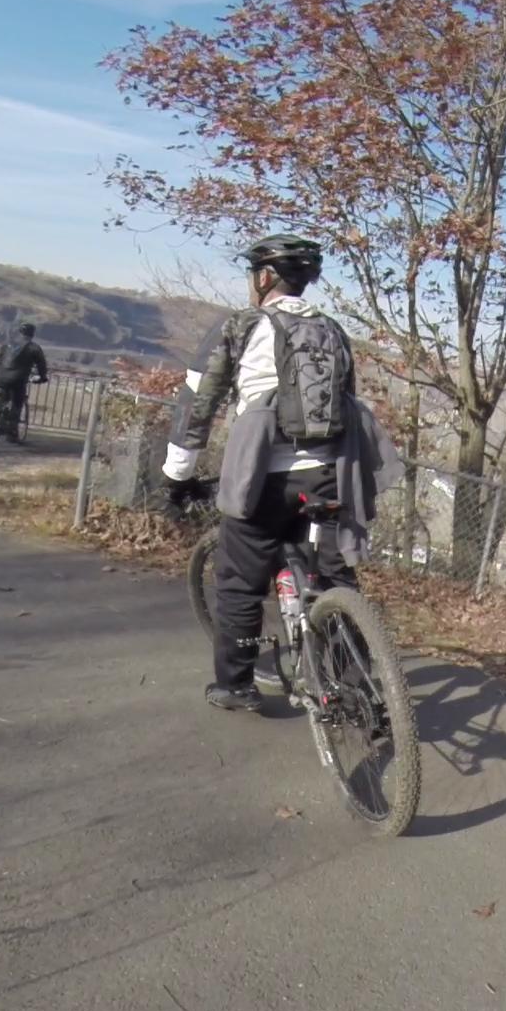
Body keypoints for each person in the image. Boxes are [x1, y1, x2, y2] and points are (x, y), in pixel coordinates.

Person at [162, 233, 403, 711]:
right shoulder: (333, 331)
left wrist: (178, 475)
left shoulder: (242, 325)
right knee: (336, 582)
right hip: (331, 476)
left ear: (264, 277)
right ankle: (358, 688)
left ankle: (236, 685)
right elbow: (346, 401)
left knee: (239, 583)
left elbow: (199, 406)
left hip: (263, 481)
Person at [0, 321, 49, 440]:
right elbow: (41, 365)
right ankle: (12, 431)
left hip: (1, 376)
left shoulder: (7, 343)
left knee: (1, 398)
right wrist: (42, 377)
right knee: (17, 402)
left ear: (20, 332)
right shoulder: (34, 348)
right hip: (18, 380)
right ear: (32, 334)